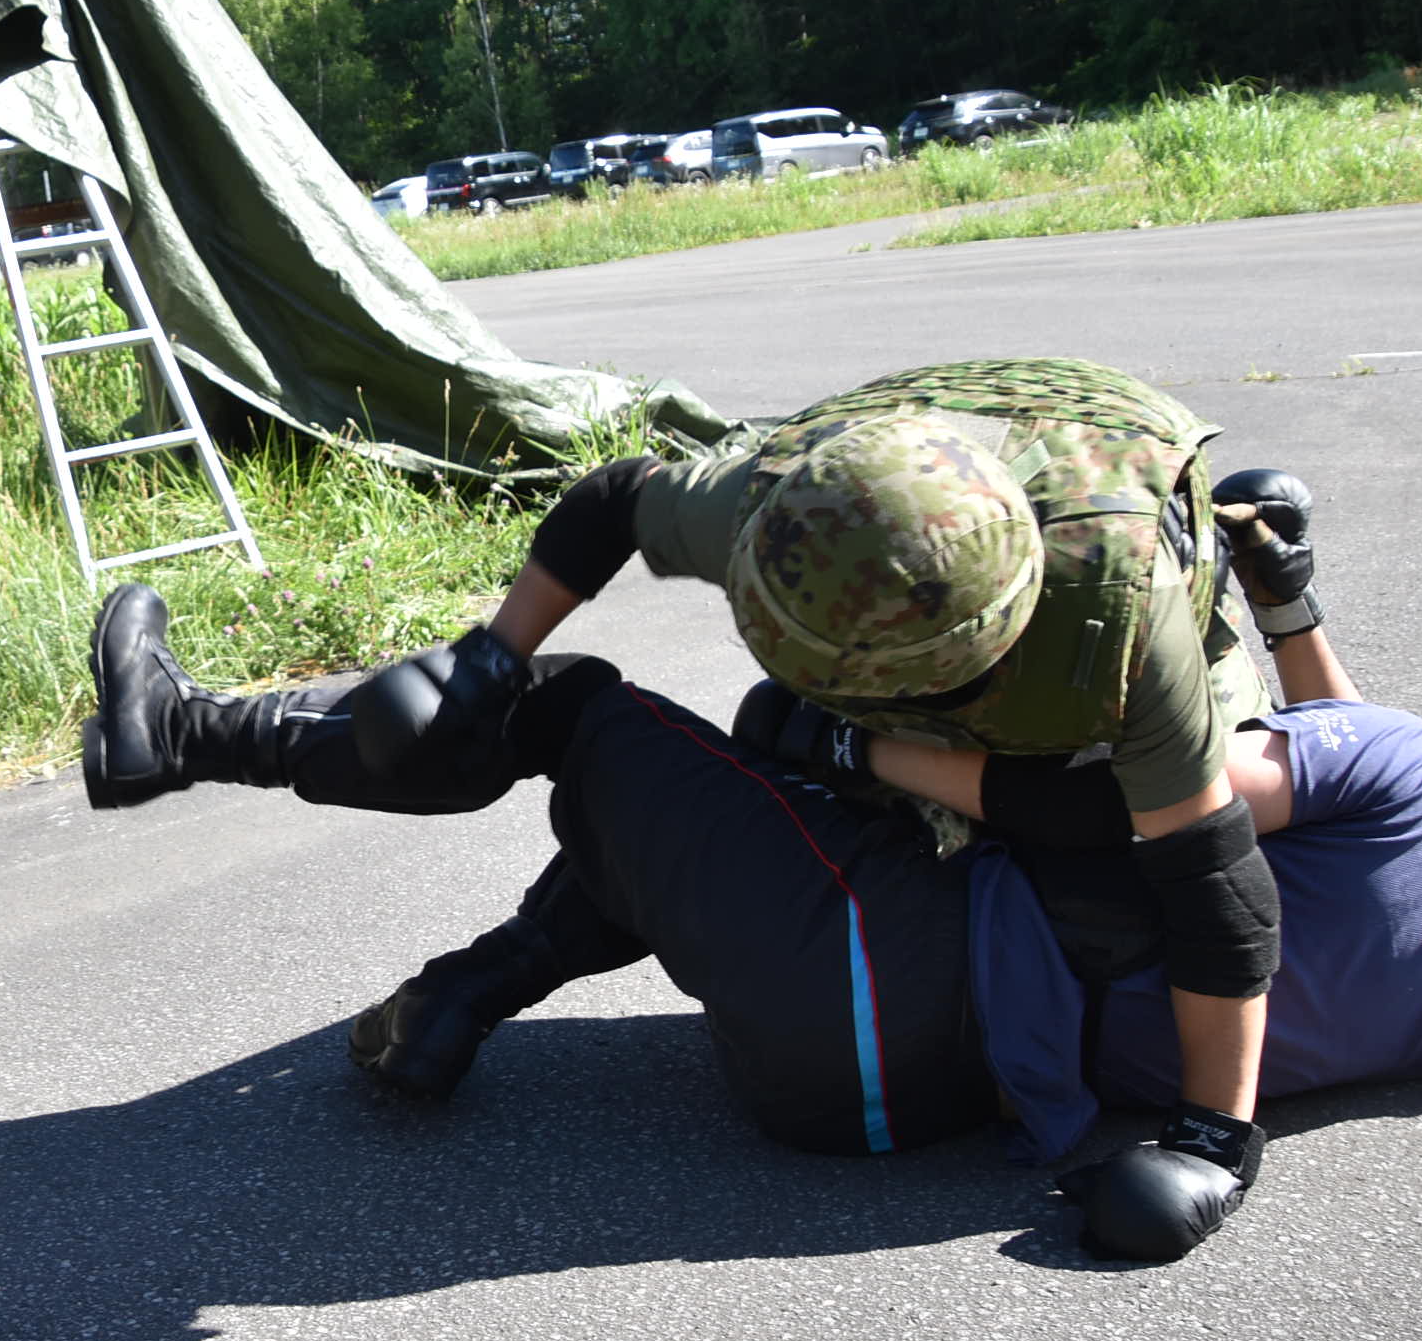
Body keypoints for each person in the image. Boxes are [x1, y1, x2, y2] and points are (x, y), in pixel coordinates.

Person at [81, 468, 1422, 1266]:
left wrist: (848, 745)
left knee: (586, 718)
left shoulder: (1417, 784)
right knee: (696, 818)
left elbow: (1183, 807)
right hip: (893, 1105)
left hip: (879, 950)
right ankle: (467, 996)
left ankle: (187, 733)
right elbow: (1354, 777)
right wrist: (1288, 602)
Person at [329, 358, 1296, 1253]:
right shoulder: (781, 510)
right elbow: (614, 499)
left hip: (1086, 637)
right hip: (938, 582)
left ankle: (478, 982)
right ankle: (485, 979)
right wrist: (493, 658)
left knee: (1095, 818)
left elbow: (1214, 877)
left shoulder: (1124, 617)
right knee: (767, 747)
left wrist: (1214, 1140)